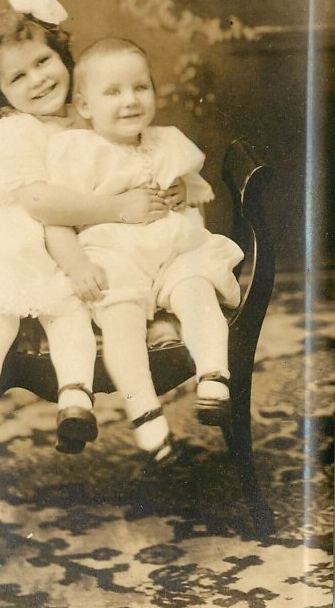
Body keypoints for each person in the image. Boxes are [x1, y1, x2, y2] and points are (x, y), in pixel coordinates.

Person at [0, 0, 175, 489]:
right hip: (10, 243)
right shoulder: (11, 132)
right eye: (17, 76)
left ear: (63, 57)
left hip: (64, 249)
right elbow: (39, 201)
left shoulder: (86, 117)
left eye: (43, 61)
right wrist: (118, 208)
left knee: (69, 305)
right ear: (0, 94)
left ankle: (76, 400)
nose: (37, 80)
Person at [45, 38, 244, 467]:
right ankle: (147, 416)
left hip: (173, 251)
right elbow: (59, 214)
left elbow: (195, 194)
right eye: (112, 92)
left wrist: (181, 192)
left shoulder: (167, 141)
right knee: (121, 322)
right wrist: (78, 264)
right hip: (115, 257)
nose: (130, 100)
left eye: (140, 87)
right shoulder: (77, 150)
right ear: (84, 106)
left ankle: (214, 378)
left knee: (198, 289)